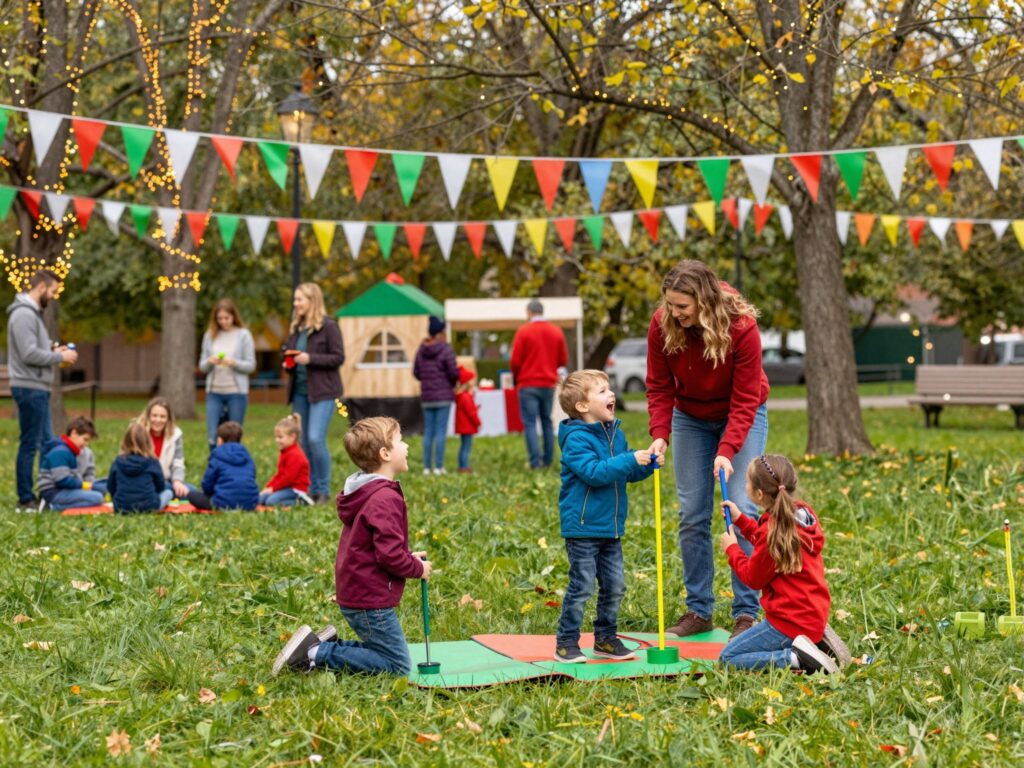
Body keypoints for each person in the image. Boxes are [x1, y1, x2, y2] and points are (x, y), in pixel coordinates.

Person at [645, 260, 770, 640]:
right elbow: (659, 386)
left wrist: (727, 450)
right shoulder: (663, 324)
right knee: (692, 513)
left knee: (742, 507)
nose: (674, 312)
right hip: (690, 419)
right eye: (670, 304)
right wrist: (660, 433)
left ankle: (746, 613)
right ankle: (699, 610)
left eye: (683, 306)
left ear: (704, 300)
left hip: (742, 413)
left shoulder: (741, 326)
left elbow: (746, 397)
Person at [272, 416, 432, 677]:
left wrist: (406, 556)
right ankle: (315, 653)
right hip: (370, 600)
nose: (407, 447)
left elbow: (378, 546)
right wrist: (416, 568)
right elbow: (389, 556)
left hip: (360, 591)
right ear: (385, 453)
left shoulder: (368, 490)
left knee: (384, 653)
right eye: (400, 441)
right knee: (398, 666)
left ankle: (327, 645)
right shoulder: (384, 498)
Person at [553, 370, 659, 663]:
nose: (610, 394)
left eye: (609, 388)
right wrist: (628, 459)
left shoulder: (615, 434)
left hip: (611, 529)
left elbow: (626, 471)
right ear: (583, 407)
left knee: (615, 586)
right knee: (582, 586)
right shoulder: (576, 439)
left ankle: (606, 639)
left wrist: (646, 464)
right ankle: (566, 642)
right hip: (583, 529)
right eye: (601, 391)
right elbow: (595, 472)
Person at [718, 454, 850, 674]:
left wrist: (732, 549)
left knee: (728, 658)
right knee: (734, 653)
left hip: (789, 622)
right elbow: (766, 544)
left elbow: (753, 577)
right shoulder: (800, 514)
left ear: (758, 494)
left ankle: (796, 657)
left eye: (747, 482)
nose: (746, 486)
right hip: (812, 614)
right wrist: (740, 519)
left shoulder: (773, 531)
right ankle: (814, 642)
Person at [6, 268, 78, 509]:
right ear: (40, 287)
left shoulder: (32, 314)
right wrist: (60, 357)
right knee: (30, 443)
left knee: (47, 442)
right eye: (53, 290)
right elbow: (28, 353)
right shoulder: (23, 315)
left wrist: (54, 350)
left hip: (38, 386)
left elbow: (37, 346)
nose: (54, 295)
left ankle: (48, 493)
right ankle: (25, 498)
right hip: (29, 387)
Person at [284, 282, 345, 504]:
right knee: (304, 442)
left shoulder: (328, 326)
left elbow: (338, 357)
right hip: (300, 392)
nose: (296, 303)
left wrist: (310, 359)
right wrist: (289, 362)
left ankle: (322, 490)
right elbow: (291, 354)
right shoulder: (296, 327)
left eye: (300, 299)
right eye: (295, 299)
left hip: (323, 392)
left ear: (312, 301)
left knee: (316, 438)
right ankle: (306, 488)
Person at [509, 298, 568, 469]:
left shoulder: (523, 332)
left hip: (527, 383)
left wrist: (517, 375)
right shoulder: (556, 331)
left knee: (529, 423)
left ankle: (535, 462)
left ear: (529, 312)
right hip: (548, 383)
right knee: (546, 421)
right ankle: (548, 460)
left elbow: (515, 361)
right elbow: (562, 359)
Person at [198, 298, 256, 450]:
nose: (223, 322)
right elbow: (202, 366)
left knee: (233, 434)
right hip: (214, 392)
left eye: (226, 318)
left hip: (236, 393)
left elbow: (251, 365)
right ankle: (215, 467)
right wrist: (210, 361)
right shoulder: (209, 335)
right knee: (213, 435)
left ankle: (233, 467)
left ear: (233, 316)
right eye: (220, 318)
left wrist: (234, 363)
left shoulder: (243, 335)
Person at [412, 315, 458, 475]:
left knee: (429, 431)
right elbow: (453, 372)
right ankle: (438, 467)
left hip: (427, 397)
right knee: (440, 431)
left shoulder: (421, 349)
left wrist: (426, 381)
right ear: (440, 332)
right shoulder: (446, 349)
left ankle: (426, 467)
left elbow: (416, 371)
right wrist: (451, 384)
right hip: (444, 396)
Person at [188, 421, 259, 511]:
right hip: (250, 503)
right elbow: (252, 476)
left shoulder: (217, 456)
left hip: (223, 503)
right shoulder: (247, 456)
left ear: (220, 440)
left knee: (191, 495)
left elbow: (207, 484)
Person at [37, 416, 104, 511]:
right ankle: (52, 507)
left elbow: (88, 472)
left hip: (65, 489)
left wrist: (90, 486)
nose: (86, 444)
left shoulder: (71, 451)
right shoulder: (60, 451)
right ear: (74, 433)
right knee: (97, 498)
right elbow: (62, 480)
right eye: (85, 439)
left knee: (101, 488)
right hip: (54, 491)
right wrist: (85, 485)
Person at [107, 422, 172, 514]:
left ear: (125, 440)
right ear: (147, 441)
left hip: (121, 507)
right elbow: (160, 486)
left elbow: (111, 486)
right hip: (149, 506)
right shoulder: (152, 461)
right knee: (168, 492)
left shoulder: (118, 461)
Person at [135, 397, 192, 501]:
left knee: (190, 491)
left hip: (166, 481)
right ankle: (162, 495)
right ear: (148, 416)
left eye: (162, 416)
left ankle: (163, 495)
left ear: (168, 419)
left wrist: (177, 481)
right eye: (154, 416)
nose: (158, 420)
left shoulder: (176, 434)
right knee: (168, 489)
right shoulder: (138, 432)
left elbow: (178, 463)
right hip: (144, 481)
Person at [259, 413, 312, 507]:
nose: (277, 440)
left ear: (292, 436)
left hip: (295, 489)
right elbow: (280, 474)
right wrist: (268, 487)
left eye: (280, 437)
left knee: (271, 501)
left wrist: (273, 489)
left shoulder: (295, 455)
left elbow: (288, 478)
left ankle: (301, 501)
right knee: (261, 499)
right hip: (286, 487)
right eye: (276, 437)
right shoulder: (285, 451)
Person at [454, 365, 481, 473]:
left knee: (463, 446)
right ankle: (464, 467)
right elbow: (471, 413)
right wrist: (478, 422)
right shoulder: (466, 397)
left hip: (462, 426)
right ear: (468, 383)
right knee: (466, 447)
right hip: (467, 426)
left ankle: (462, 465)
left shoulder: (462, 396)